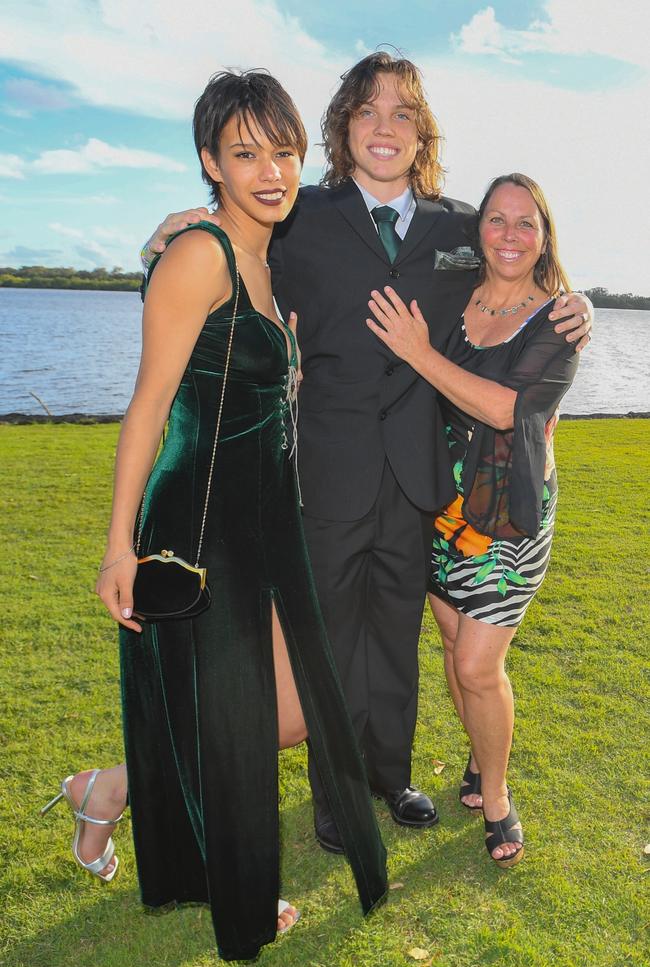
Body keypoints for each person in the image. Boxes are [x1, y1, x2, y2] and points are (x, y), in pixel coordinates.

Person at [140, 51, 593, 854]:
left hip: (422, 476)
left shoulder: (461, 225)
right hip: (328, 468)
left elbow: (518, 261)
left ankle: (392, 777)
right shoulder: (299, 214)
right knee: (333, 637)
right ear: (343, 129)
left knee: (395, 637)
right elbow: (226, 252)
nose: (385, 127)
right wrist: (166, 230)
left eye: (402, 114)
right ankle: (337, 796)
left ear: (421, 134)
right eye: (368, 112)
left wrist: (577, 300)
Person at [41, 70, 387, 962]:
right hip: (197, 521)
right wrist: (118, 546)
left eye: (282, 150)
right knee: (235, 710)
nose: (270, 170)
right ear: (210, 162)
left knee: (290, 709)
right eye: (245, 154)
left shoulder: (269, 256)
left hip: (265, 514)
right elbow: (150, 406)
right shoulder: (203, 255)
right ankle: (240, 883)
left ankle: (107, 788)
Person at [366, 172, 580, 867]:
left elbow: (504, 408)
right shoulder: (455, 294)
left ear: (544, 235)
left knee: (476, 665)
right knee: (457, 650)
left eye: (527, 223)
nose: (511, 235)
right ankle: (479, 758)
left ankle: (496, 796)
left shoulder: (560, 321)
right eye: (497, 220)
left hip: (508, 515)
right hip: (439, 502)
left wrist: (418, 353)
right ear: (478, 230)